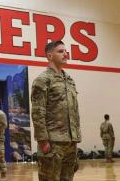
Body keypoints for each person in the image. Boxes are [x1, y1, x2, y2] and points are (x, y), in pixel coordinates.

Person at [31, 40, 82, 181]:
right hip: (52, 143)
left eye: (66, 51)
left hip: (70, 142)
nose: (65, 54)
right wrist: (43, 140)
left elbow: (74, 112)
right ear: (49, 56)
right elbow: (37, 112)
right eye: (60, 51)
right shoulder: (43, 80)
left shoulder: (70, 80)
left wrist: (76, 138)